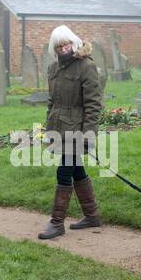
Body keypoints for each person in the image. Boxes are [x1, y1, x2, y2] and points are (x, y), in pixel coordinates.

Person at [38, 25, 104, 239]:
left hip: (77, 129)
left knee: (64, 171)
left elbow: (94, 104)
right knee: (75, 169)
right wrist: (49, 125)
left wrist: (89, 135)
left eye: (66, 43)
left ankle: (57, 223)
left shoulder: (86, 66)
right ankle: (92, 215)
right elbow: (52, 101)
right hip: (58, 127)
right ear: (54, 49)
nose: (63, 48)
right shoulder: (53, 69)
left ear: (73, 41)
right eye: (58, 46)